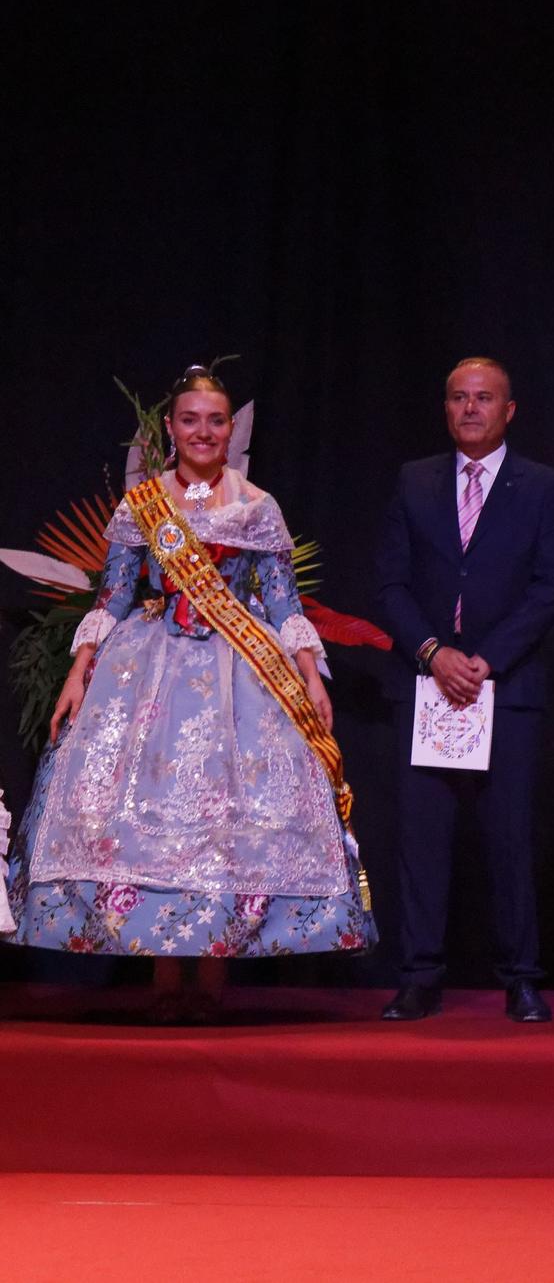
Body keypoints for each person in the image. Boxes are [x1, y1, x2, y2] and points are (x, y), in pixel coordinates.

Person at [6, 366, 374, 1019]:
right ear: (171, 429)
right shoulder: (142, 504)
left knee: (226, 818)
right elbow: (115, 594)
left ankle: (210, 981)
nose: (203, 431)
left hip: (243, 673)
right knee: (145, 811)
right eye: (189, 419)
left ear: (231, 429)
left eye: (215, 419)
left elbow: (282, 600)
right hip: (149, 667)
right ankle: (164, 982)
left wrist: (311, 673)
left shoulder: (257, 507)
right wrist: (78, 668)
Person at [376, 357, 554, 1023]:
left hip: (505, 687)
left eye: (483, 398)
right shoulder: (415, 480)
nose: (469, 409)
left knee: (509, 836)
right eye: (458, 397)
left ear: (508, 409)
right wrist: (433, 653)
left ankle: (520, 977)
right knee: (422, 838)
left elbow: (551, 587)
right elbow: (391, 584)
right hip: (428, 685)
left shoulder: (542, 486)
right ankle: (418, 976)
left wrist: (486, 659)